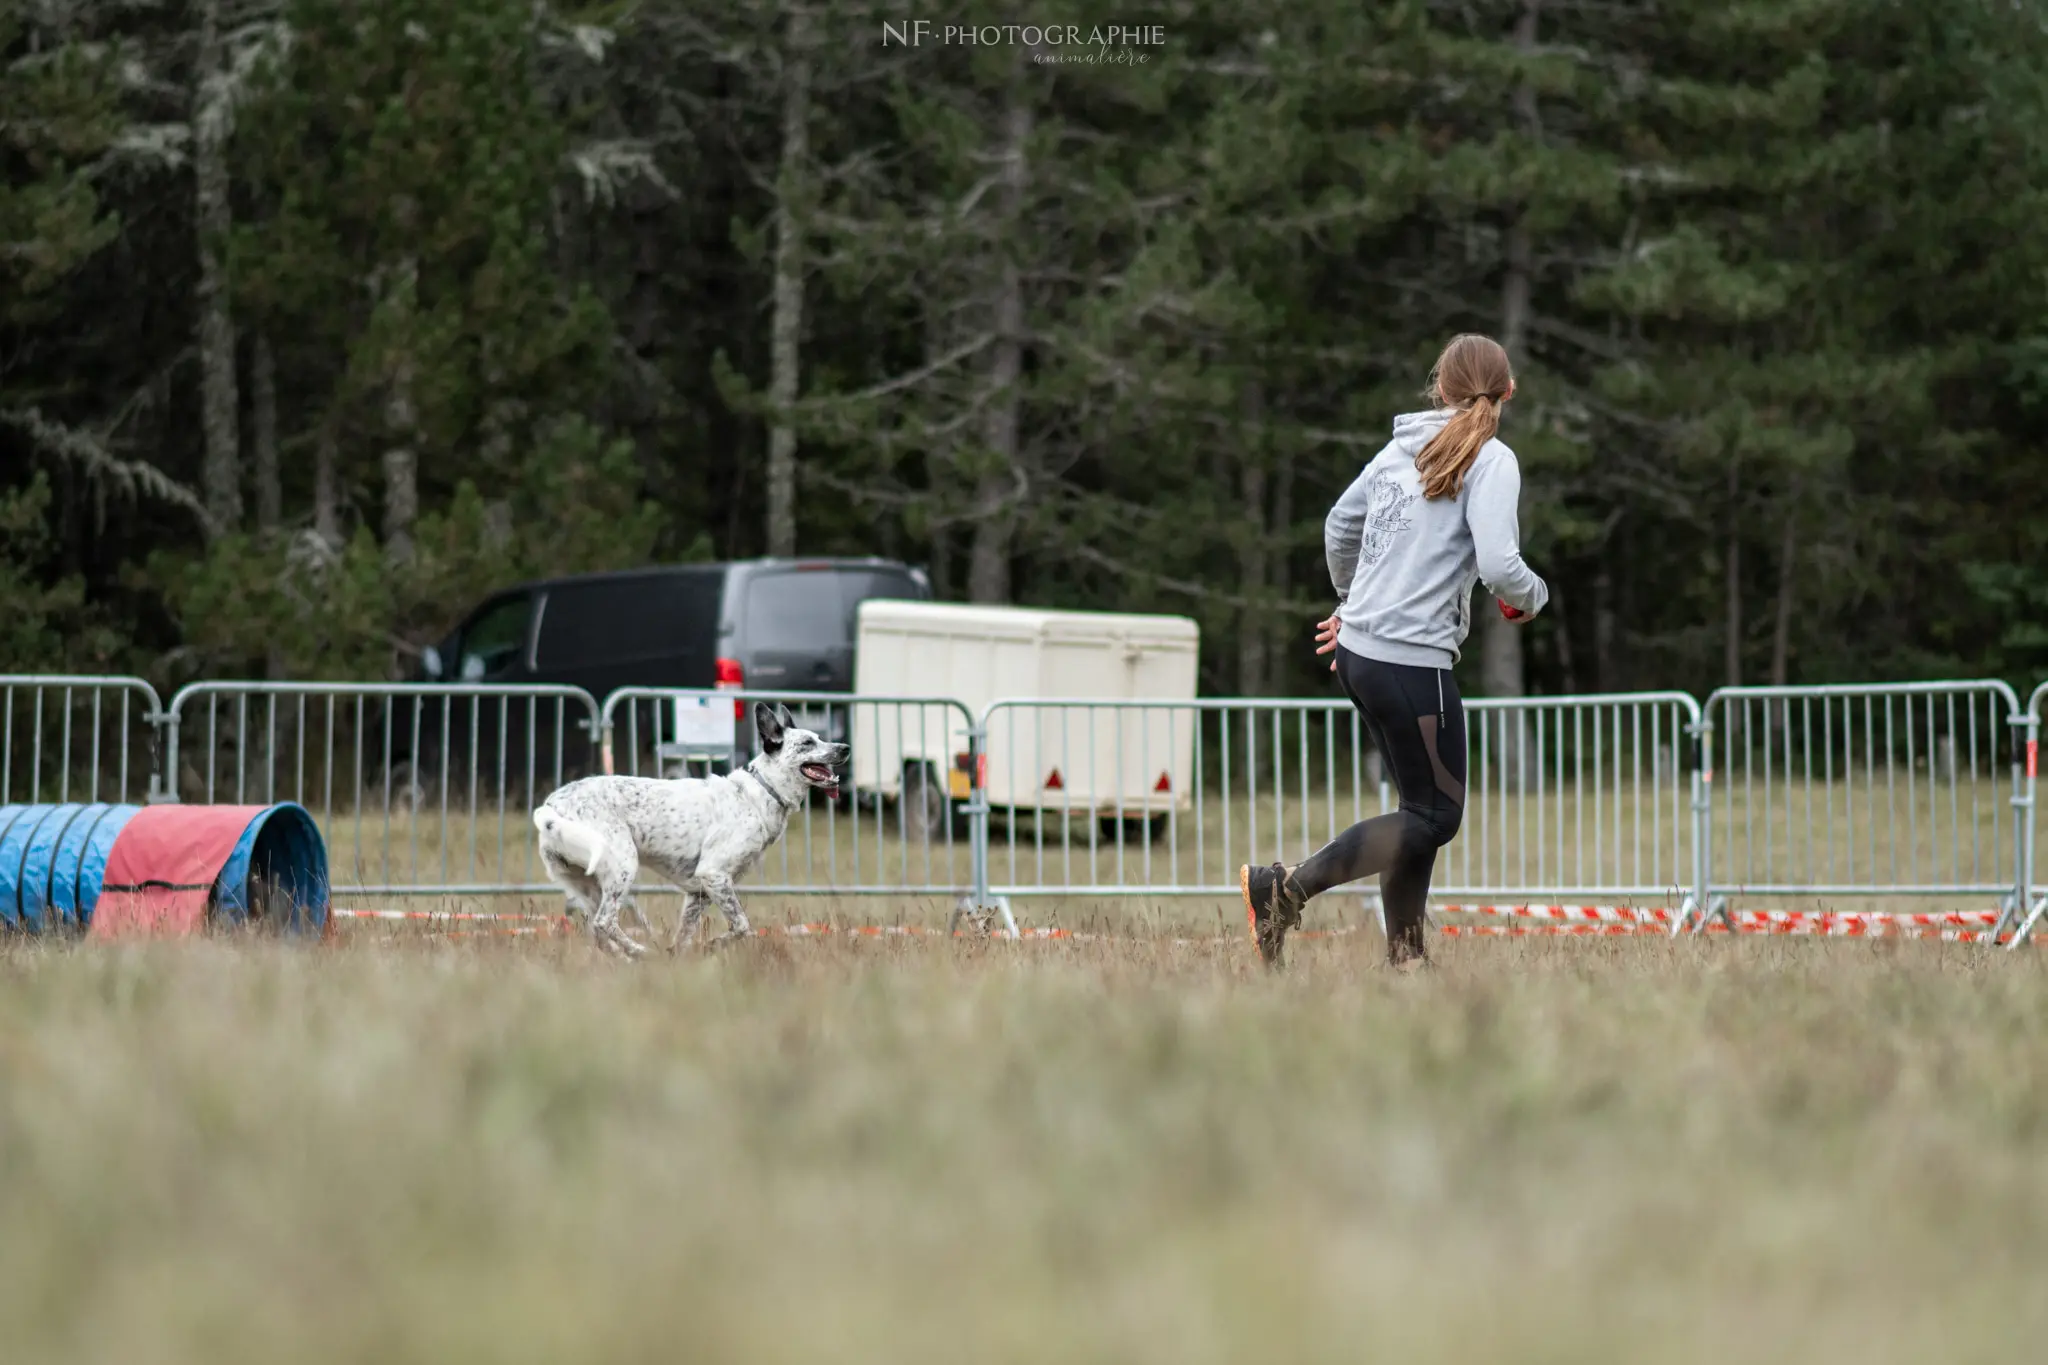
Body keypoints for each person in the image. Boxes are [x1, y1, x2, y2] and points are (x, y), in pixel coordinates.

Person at [1240, 333, 1547, 969]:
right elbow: (1499, 563)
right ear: (1508, 390)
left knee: (1419, 810)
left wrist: (1354, 604)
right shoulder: (1493, 459)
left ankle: (1406, 959)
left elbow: (1339, 527)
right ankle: (1284, 889)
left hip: (1361, 655)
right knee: (1437, 817)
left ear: (1440, 388)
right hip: (1412, 662)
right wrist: (1532, 595)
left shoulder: (1396, 452)